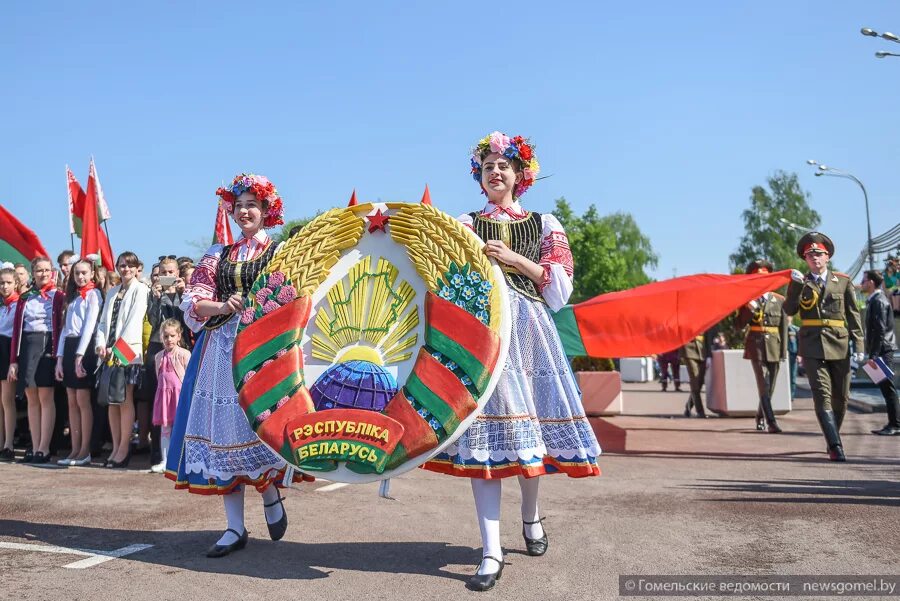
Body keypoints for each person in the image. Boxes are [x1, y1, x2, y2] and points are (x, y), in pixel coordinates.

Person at [421, 133, 601, 591]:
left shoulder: (544, 223)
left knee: (529, 431)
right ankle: (490, 550)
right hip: (483, 336)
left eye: (504, 165)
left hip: (528, 331)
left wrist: (517, 260)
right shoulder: (464, 224)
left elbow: (559, 290)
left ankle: (530, 515)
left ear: (521, 175)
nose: (495, 172)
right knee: (486, 436)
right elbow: (443, 278)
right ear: (479, 178)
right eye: (487, 167)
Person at [167, 173, 307, 558]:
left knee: (260, 424)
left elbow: (294, 295)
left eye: (252, 205)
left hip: (263, 349)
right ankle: (234, 527)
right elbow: (195, 300)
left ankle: (269, 491)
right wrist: (223, 306)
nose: (245, 211)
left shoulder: (280, 253)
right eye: (239, 205)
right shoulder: (218, 253)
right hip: (220, 347)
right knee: (222, 434)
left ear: (266, 211)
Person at [784, 232, 864, 461]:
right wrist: (796, 287)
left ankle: (832, 434)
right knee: (822, 395)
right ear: (805, 259)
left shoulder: (844, 281)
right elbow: (789, 311)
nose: (814, 258)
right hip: (812, 345)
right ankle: (835, 445)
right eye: (809, 255)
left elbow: (853, 314)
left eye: (818, 254)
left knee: (842, 397)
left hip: (839, 343)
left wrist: (858, 343)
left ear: (827, 256)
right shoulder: (800, 282)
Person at [95, 251, 150, 468]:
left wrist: (116, 350)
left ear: (136, 268)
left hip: (127, 352)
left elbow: (134, 322)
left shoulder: (141, 290)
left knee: (124, 398)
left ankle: (124, 448)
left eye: (130, 265)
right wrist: (101, 344)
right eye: (122, 265)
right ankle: (116, 446)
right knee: (112, 399)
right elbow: (102, 323)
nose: (125, 269)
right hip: (108, 352)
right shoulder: (112, 292)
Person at [8, 257, 64, 463]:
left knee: (45, 397)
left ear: (52, 272)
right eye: (39, 270)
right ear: (33, 273)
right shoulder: (25, 297)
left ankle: (44, 448)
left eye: (47, 270)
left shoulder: (58, 295)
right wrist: (14, 360)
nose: (43, 273)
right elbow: (16, 330)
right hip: (28, 346)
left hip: (48, 344)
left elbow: (61, 326)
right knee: (32, 398)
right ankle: (35, 444)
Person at [53, 258, 102, 466]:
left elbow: (90, 325)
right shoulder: (71, 297)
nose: (80, 277)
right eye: (76, 273)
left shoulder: (94, 294)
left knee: (83, 401)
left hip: (86, 347)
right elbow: (65, 329)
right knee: (71, 400)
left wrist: (80, 355)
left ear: (91, 274)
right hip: (70, 347)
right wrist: (60, 358)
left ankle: (85, 450)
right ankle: (74, 449)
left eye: (84, 273)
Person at [735, 260, 787, 433]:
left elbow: (784, 328)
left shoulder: (779, 300)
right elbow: (738, 325)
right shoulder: (747, 301)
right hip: (755, 344)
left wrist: (783, 352)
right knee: (763, 383)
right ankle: (771, 422)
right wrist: (749, 309)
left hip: (775, 345)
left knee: (770, 385)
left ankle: (760, 415)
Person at [860, 270, 899, 435]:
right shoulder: (874, 300)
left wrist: (874, 356)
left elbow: (880, 330)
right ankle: (893, 423)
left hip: (883, 350)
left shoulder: (879, 301)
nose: (861, 283)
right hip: (880, 350)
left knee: (888, 389)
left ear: (871, 282)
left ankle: (895, 425)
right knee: (885, 389)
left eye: (864, 280)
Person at [150, 318, 191, 473]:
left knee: (181, 428)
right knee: (165, 429)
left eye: (172, 336)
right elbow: (158, 376)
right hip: (164, 397)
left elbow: (189, 378)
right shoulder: (158, 357)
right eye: (166, 336)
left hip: (180, 397)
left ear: (179, 336)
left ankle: (182, 461)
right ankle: (166, 461)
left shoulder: (184, 354)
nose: (169, 339)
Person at [0, 266, 19, 461]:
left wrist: (14, 360)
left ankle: (9, 444)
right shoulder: (1, 305)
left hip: (8, 350)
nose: (5, 286)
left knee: (7, 400)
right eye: (2, 283)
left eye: (8, 283)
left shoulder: (18, 305)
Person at [679, 331, 712, 418]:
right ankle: (700, 411)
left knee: (700, 382)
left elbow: (708, 335)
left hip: (702, 349)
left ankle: (688, 407)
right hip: (688, 349)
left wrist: (709, 355)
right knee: (695, 380)